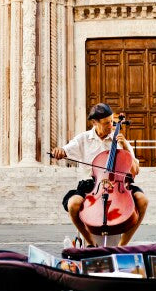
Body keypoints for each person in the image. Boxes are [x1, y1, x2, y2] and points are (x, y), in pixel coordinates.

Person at [51, 103, 148, 247]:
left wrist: (126, 147)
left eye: (111, 121)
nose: (111, 126)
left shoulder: (120, 141)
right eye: (106, 123)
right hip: (91, 185)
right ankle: (90, 243)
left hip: (117, 185)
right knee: (73, 205)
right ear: (95, 123)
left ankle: (122, 246)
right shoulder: (83, 139)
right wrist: (59, 151)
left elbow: (135, 170)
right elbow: (65, 151)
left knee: (142, 200)